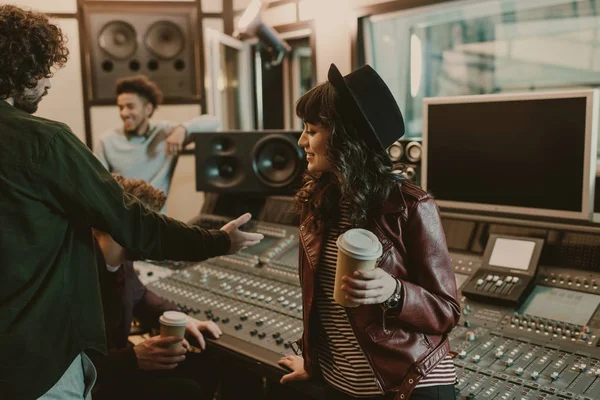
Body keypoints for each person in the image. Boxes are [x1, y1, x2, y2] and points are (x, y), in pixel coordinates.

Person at [0, 5, 263, 400]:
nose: (47, 84)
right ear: (22, 67)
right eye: (43, 71)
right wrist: (217, 241)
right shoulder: (44, 141)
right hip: (36, 366)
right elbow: (133, 221)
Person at [278, 64, 461, 400]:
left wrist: (393, 290)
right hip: (342, 381)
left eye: (312, 130)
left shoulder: (411, 205)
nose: (302, 140)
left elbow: (447, 310)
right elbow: (320, 304)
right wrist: (314, 362)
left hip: (407, 383)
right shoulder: (317, 200)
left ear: (346, 139)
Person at [90, 174, 221, 400]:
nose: (156, 239)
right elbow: (66, 361)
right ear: (128, 228)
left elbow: (141, 297)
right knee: (187, 391)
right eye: (152, 229)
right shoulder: (77, 271)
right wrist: (133, 358)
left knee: (204, 366)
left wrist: (180, 317)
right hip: (96, 384)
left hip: (119, 368)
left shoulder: (122, 262)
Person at [94, 74, 219, 211]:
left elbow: (214, 122)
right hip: (120, 220)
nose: (124, 113)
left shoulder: (165, 133)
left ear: (148, 109)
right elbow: (98, 187)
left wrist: (182, 129)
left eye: (130, 106)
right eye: (121, 107)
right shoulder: (106, 141)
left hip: (157, 220)